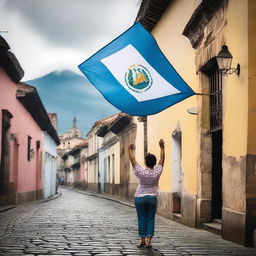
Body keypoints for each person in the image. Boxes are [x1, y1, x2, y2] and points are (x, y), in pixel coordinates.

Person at [128, 139, 165, 248]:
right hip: (152, 197)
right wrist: (162, 147)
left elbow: (132, 160)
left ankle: (142, 240)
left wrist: (130, 149)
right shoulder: (157, 171)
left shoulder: (141, 171)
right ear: (154, 163)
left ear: (145, 162)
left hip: (140, 197)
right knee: (150, 218)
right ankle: (149, 241)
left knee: (141, 217)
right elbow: (162, 159)